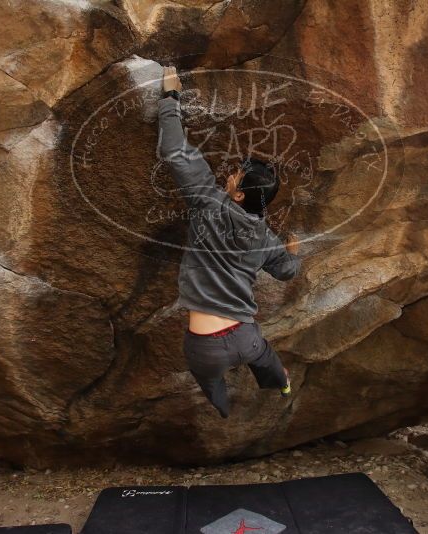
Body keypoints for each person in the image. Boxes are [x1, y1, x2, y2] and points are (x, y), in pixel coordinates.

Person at [157, 65, 301, 418]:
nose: (231, 173)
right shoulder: (264, 237)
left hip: (205, 347)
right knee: (265, 356)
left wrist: (169, 96)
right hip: (246, 338)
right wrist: (292, 254)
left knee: (209, 380)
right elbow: (286, 272)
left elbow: (175, 150)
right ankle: (280, 381)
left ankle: (221, 406)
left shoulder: (207, 201)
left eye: (236, 175)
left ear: (237, 195)